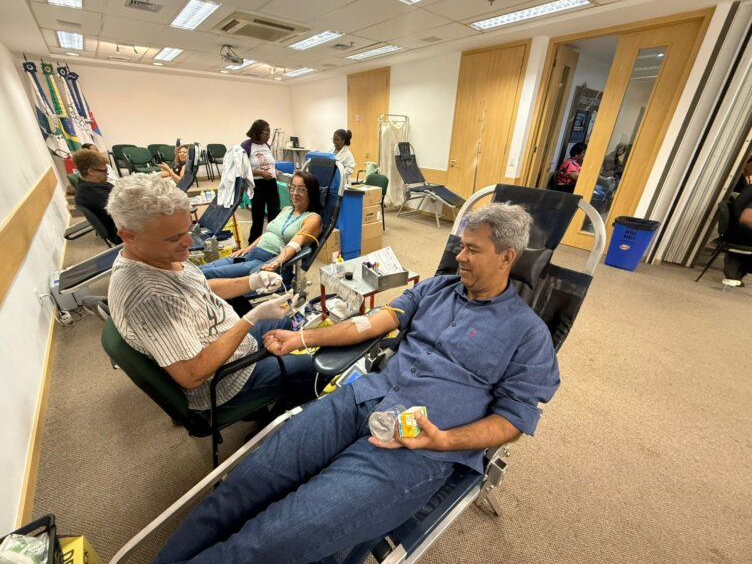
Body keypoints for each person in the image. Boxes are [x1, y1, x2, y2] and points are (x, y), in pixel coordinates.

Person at [152, 203, 560, 564]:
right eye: (461, 245)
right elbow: (370, 323)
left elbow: (513, 419)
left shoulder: (528, 335)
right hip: (361, 399)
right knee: (242, 485)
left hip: (417, 447)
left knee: (272, 537)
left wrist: (443, 441)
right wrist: (303, 337)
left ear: (507, 257)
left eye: (473, 249)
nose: (459, 256)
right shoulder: (437, 289)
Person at [105, 174, 317, 412]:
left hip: (230, 341)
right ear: (128, 235)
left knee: (296, 324)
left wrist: (253, 281)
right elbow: (192, 374)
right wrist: (251, 318)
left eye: (187, 230)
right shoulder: (149, 296)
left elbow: (200, 287)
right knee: (318, 366)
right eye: (175, 237)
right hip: (225, 381)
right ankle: (280, 416)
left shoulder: (157, 255)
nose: (188, 242)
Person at [200, 171, 322, 279]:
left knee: (208, 274)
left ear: (311, 193)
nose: (295, 193)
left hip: (265, 260)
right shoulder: (286, 209)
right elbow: (268, 234)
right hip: (251, 254)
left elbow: (295, 243)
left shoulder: (312, 218)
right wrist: (248, 248)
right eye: (293, 187)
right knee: (203, 268)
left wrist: (276, 262)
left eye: (301, 189)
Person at [242, 120, 281, 243]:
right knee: (258, 217)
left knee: (274, 215)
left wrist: (275, 171)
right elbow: (242, 168)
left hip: (271, 184)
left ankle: (272, 242)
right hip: (257, 185)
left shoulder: (266, 146)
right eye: (266, 133)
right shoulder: (246, 146)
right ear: (257, 132)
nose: (269, 136)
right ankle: (253, 243)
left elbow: (269, 163)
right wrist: (260, 173)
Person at [71, 148, 121, 243]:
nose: (107, 173)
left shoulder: (93, 185)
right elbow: (123, 211)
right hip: (122, 233)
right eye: (104, 170)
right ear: (91, 171)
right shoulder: (91, 194)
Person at [722, 183, 752, 287]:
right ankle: (736, 263)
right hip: (741, 236)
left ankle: (736, 266)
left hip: (736, 233)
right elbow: (746, 219)